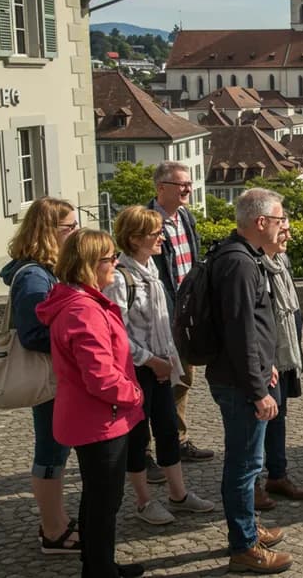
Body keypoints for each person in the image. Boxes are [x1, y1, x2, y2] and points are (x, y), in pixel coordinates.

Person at [36, 229, 145, 578]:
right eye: (109, 258)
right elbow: (99, 376)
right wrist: (134, 394)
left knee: (97, 497)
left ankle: (98, 565)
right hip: (100, 420)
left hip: (94, 418)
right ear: (88, 264)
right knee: (104, 501)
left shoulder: (77, 301)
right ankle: (100, 571)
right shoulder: (82, 309)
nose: (115, 262)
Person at [103, 207, 215, 525]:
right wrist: (150, 361)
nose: (162, 238)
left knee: (167, 429)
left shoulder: (151, 267)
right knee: (138, 437)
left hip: (160, 365)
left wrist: (168, 360)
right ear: (135, 238)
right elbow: (117, 334)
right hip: (138, 368)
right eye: (155, 233)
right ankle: (143, 501)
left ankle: (178, 495)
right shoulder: (119, 278)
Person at [207, 188, 292, 574]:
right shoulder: (240, 264)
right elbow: (239, 331)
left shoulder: (240, 255)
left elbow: (252, 329)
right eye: (279, 220)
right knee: (243, 465)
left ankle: (248, 530)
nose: (283, 226)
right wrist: (258, 390)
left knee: (247, 462)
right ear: (261, 223)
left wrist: (267, 364)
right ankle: (243, 546)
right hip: (241, 384)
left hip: (246, 375)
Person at [0, 197, 81, 554]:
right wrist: (80, 338)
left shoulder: (46, 269)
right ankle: (52, 531)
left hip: (58, 378)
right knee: (50, 453)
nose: (77, 233)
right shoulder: (34, 275)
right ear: (50, 231)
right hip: (50, 380)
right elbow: (34, 333)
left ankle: (57, 520)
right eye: (70, 227)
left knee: (56, 451)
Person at [147, 161, 214, 464]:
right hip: (162, 315)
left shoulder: (185, 216)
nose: (188, 189)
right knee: (160, 380)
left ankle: (178, 439)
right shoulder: (147, 222)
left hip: (189, 312)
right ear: (161, 188)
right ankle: (148, 448)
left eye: (189, 183)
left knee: (184, 377)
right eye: (181, 185)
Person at [254, 224, 303, 509]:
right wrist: (267, 362)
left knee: (278, 418)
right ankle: (252, 485)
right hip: (267, 359)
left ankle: (277, 475)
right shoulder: (255, 266)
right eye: (283, 230)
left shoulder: (280, 262)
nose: (289, 235)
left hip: (285, 355)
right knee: (258, 422)